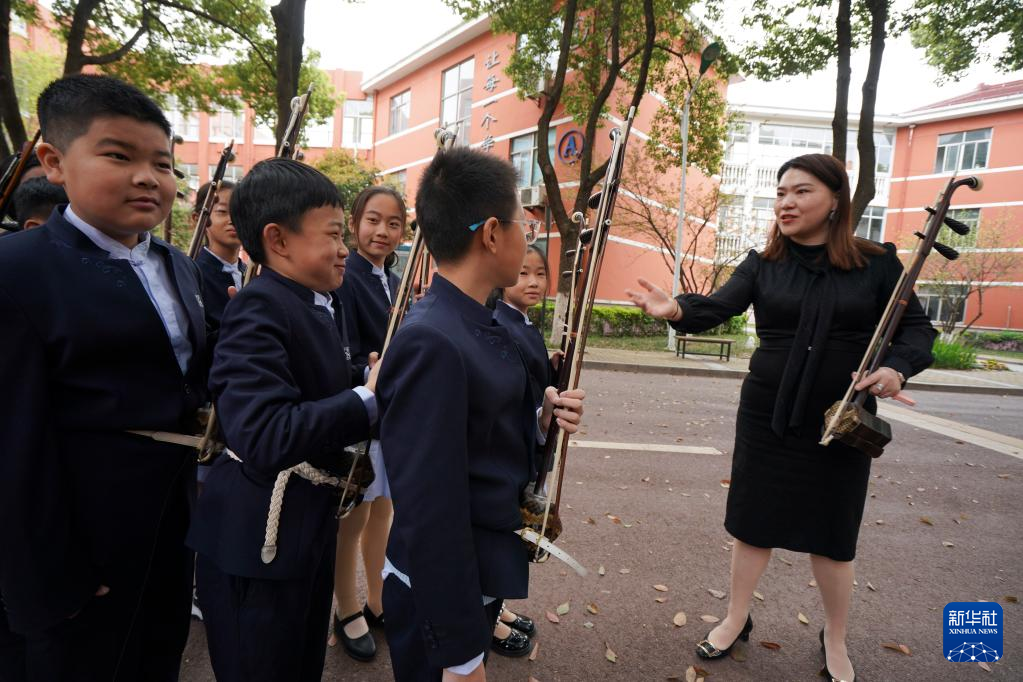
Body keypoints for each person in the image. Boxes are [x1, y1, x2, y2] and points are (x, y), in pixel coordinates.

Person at [627, 153, 937, 682]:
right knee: (753, 524)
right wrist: (675, 310)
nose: (786, 203)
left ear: (835, 199)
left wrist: (896, 369)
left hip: (840, 421)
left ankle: (834, 636)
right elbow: (717, 308)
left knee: (833, 535)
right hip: (766, 415)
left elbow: (918, 332)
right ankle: (735, 618)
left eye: (801, 191)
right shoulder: (763, 263)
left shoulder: (878, 264)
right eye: (780, 193)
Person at [0, 73, 209, 681]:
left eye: (163, 164)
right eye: (119, 156)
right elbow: (12, 443)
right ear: (54, 162)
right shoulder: (17, 271)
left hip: (169, 530)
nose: (148, 177)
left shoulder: (177, 265)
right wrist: (44, 578)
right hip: (76, 550)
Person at [376, 146, 586, 681]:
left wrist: (541, 422)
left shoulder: (477, 319)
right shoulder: (433, 339)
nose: (526, 235)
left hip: (478, 565)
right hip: (439, 592)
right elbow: (429, 509)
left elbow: (482, 437)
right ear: (492, 233)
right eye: (522, 224)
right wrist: (461, 653)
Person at [186, 157, 378, 682]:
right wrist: (367, 398)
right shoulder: (259, 307)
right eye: (333, 234)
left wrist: (369, 379)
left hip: (303, 530)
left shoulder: (318, 302)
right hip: (257, 543)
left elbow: (321, 383)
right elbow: (265, 433)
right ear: (278, 239)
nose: (345, 248)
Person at [332, 185, 405, 662]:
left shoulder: (395, 280)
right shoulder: (345, 277)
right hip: (361, 410)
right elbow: (344, 352)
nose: (382, 231)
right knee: (353, 517)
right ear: (355, 222)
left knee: (384, 512)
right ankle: (346, 607)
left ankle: (378, 599)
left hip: (393, 414)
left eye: (394, 223)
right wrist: (370, 371)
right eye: (373, 220)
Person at [487, 244, 559, 655]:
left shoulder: (523, 323)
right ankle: (489, 617)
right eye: (523, 273)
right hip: (514, 447)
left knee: (508, 539)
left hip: (526, 444)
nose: (533, 282)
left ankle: (496, 608)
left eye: (540, 274)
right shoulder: (502, 325)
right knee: (500, 540)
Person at [192, 179, 244, 331]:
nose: (233, 220)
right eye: (222, 211)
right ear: (199, 219)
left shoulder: (250, 273)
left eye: (240, 213)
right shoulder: (192, 274)